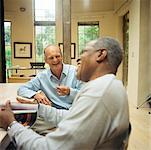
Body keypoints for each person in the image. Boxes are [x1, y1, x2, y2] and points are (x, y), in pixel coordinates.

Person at [0, 37, 130, 149]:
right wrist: (36, 107)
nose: (79, 59)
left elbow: (50, 147)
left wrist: (11, 125)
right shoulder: (110, 85)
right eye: (51, 58)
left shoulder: (97, 94)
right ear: (46, 60)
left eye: (84, 52)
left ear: (101, 55)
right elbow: (68, 116)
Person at [17, 45, 82, 110]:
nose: (55, 60)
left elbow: (86, 94)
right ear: (46, 60)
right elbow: (21, 89)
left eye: (57, 56)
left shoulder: (75, 72)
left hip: (75, 111)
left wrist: (70, 91)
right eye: (51, 58)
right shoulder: (42, 77)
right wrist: (35, 95)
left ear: (62, 57)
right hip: (54, 112)